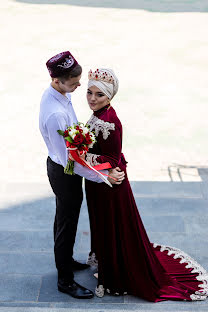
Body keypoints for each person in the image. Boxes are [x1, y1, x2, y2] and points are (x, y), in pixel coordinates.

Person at [83, 68, 208, 301]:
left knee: (111, 226)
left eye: (99, 95)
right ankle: (110, 264)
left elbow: (111, 159)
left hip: (109, 184)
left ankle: (115, 275)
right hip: (98, 182)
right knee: (102, 224)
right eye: (89, 92)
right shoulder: (99, 114)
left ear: (110, 96)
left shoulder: (110, 122)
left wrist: (81, 156)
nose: (92, 98)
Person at [39, 52, 124, 299]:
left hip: (65, 167)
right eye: (74, 82)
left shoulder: (59, 94)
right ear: (57, 81)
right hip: (64, 172)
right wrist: (103, 176)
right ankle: (65, 279)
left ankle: (65, 261)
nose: (79, 85)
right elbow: (70, 160)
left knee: (66, 219)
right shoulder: (56, 112)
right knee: (67, 223)